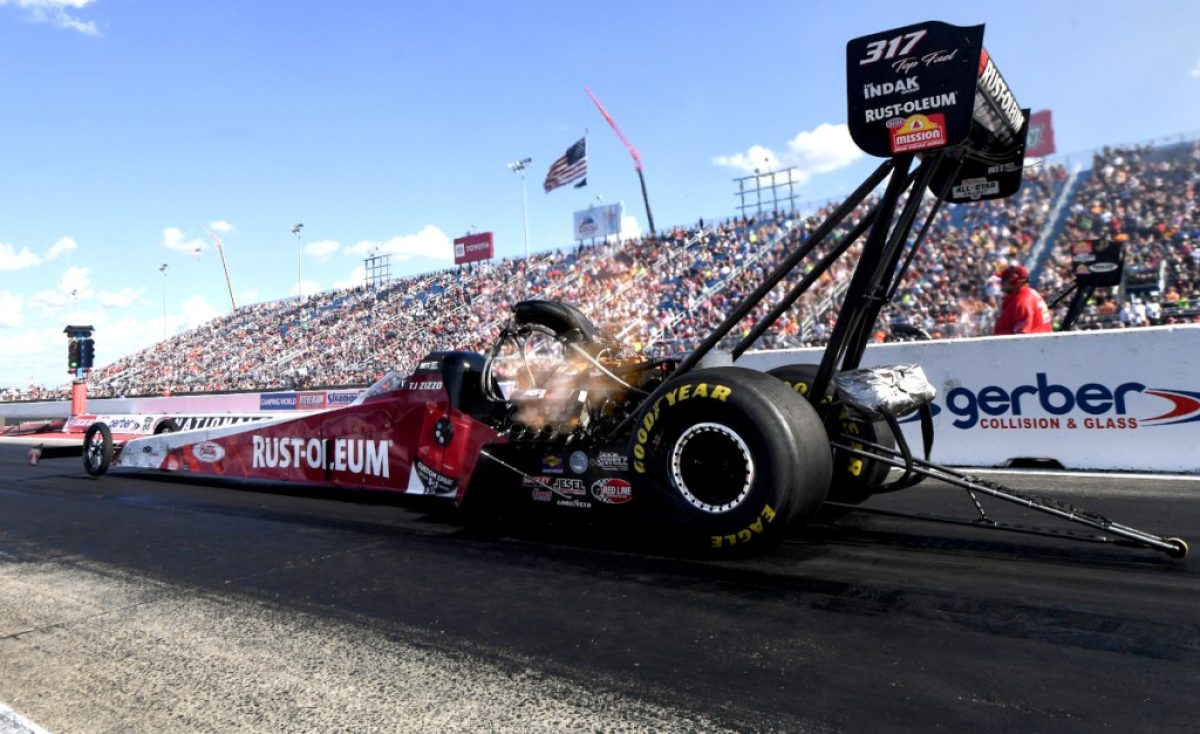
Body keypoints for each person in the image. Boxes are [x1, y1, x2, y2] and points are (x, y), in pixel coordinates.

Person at [993, 264, 1053, 335]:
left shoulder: (1022, 301)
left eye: (1003, 280)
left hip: (1030, 345)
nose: (1001, 283)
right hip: (1039, 343)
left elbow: (1021, 337)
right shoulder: (1029, 293)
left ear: (1014, 280)